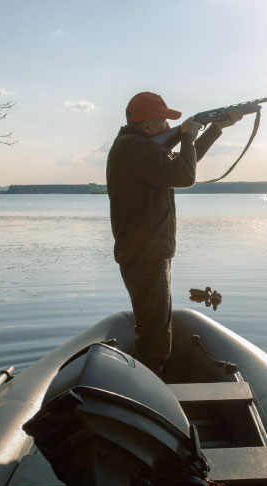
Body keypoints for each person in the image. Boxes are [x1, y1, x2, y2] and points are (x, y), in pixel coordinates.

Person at [106, 92, 242, 374]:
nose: (169, 129)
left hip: (149, 255)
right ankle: (141, 400)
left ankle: (141, 391)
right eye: (163, 121)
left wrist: (215, 128)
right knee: (155, 344)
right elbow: (185, 175)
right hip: (145, 257)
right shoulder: (135, 148)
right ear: (146, 126)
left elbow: (181, 166)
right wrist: (188, 138)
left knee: (154, 336)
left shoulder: (138, 147)